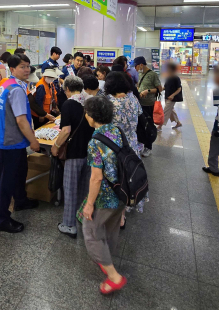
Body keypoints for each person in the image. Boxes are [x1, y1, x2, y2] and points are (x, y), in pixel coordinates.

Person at [81, 96, 127, 295]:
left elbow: (96, 178)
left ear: (91, 117)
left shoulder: (94, 142)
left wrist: (89, 203)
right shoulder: (117, 131)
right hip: (123, 191)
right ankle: (106, 257)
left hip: (106, 197)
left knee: (90, 231)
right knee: (111, 227)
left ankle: (113, 276)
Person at [0, 54, 40, 233]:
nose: (27, 70)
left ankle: (21, 201)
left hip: (12, 141)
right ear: (12, 69)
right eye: (22, 67)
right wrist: (33, 141)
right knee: (6, 182)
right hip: (9, 143)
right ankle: (2, 219)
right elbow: (21, 121)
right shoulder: (17, 90)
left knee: (20, 173)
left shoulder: (6, 83)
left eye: (28, 66)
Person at [51, 76, 94, 238]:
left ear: (67, 89)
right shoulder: (90, 101)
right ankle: (82, 217)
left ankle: (69, 225)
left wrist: (56, 147)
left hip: (74, 153)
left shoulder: (69, 104)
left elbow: (66, 131)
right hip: (90, 152)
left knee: (70, 189)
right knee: (84, 188)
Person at [105, 71, 146, 224]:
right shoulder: (133, 98)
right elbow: (139, 116)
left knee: (114, 181)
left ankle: (115, 214)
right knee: (127, 180)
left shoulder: (109, 102)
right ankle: (123, 214)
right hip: (132, 145)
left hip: (115, 146)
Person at [133, 56, 162, 157]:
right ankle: (141, 143)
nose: (136, 68)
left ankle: (148, 147)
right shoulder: (140, 74)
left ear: (141, 64)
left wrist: (147, 91)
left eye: (136, 66)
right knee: (140, 125)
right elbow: (139, 85)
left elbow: (160, 89)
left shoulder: (153, 74)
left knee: (148, 125)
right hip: (140, 103)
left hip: (149, 104)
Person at [162, 62, 182, 130]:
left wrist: (172, 95)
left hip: (172, 98)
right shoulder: (168, 77)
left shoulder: (176, 78)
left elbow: (179, 89)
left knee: (166, 111)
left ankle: (159, 126)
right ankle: (178, 122)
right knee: (171, 110)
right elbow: (165, 87)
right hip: (167, 97)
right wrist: (159, 89)